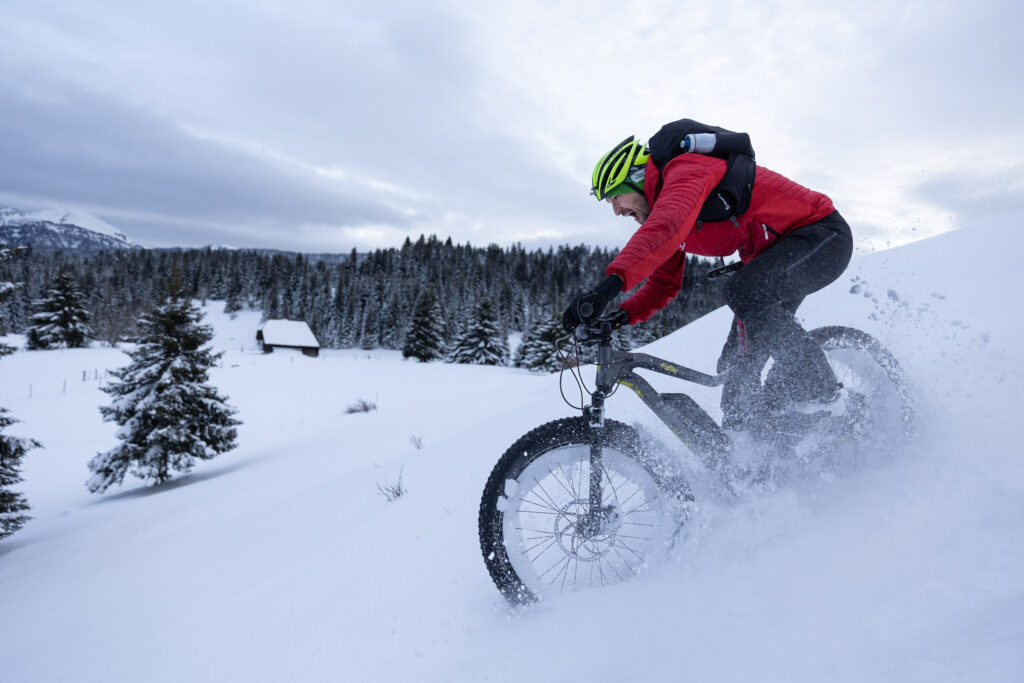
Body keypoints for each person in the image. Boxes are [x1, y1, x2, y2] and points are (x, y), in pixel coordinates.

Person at [562, 131, 854, 431]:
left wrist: (604, 291)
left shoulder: (686, 170)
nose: (617, 211)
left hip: (823, 236)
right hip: (772, 261)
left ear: (637, 178)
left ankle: (824, 395)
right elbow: (663, 284)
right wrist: (619, 317)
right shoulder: (670, 211)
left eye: (616, 196)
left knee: (744, 289)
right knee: (735, 367)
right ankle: (758, 442)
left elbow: (666, 225)